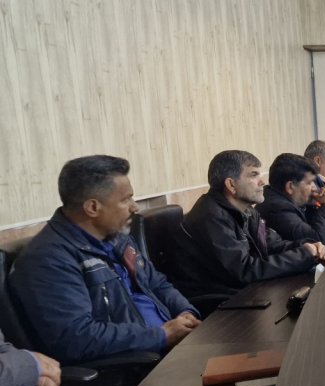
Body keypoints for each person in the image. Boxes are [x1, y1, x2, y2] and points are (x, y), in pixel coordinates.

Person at [10, 156, 201, 364]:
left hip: (171, 348)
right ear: (93, 207)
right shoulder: (49, 259)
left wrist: (185, 312)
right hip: (136, 367)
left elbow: (156, 283)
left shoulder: (118, 238)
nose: (134, 207)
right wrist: (161, 335)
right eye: (125, 200)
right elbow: (77, 338)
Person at [173, 151, 325, 307]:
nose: (262, 182)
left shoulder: (247, 210)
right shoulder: (211, 216)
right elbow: (244, 270)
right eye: (254, 175)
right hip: (219, 304)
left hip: (244, 292)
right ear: (231, 185)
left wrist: (306, 246)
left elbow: (272, 245)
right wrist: (302, 256)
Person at [256, 153, 325, 254]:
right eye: (309, 182)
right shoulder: (277, 208)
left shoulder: (296, 200)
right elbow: (317, 241)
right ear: (290, 187)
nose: (314, 187)